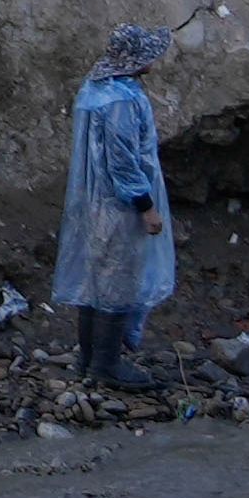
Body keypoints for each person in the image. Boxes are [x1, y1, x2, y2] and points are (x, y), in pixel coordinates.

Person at [58, 25, 185, 393]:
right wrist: (145, 205)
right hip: (117, 206)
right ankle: (106, 365)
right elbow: (123, 161)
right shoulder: (121, 100)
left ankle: (88, 359)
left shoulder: (94, 88)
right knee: (117, 279)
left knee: (93, 279)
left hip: (90, 202)